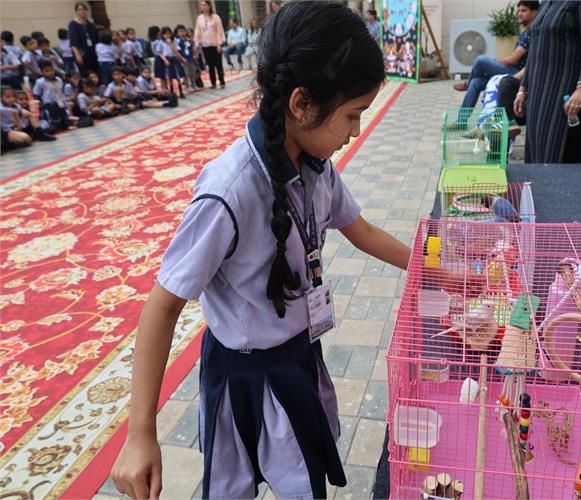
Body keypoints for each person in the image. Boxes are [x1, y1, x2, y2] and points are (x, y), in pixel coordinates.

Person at [108, 2, 431, 498]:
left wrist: (430, 267)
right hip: (239, 373)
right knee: (233, 486)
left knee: (302, 482)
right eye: (352, 115)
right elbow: (162, 305)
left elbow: (362, 230)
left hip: (295, 359)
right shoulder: (229, 191)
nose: (355, 131)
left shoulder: (318, 167)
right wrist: (140, 434)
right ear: (302, 104)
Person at [514, 0, 581, 163]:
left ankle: (554, 180)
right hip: (537, 89)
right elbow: (534, 49)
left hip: (564, 86)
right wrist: (522, 88)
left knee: (555, 146)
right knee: (536, 145)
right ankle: (538, 179)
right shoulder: (546, 2)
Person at [453, 1, 539, 111]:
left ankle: (466, 83)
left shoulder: (532, 33)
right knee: (475, 83)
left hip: (517, 73)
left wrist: (493, 62)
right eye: (518, 11)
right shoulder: (526, 32)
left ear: (534, 12)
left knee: (481, 60)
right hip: (511, 70)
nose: (519, 14)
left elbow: (512, 60)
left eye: (523, 11)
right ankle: (461, 119)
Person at [33, 60, 76, 131]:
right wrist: (41, 103)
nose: (50, 73)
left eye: (51, 70)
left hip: (60, 102)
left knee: (64, 119)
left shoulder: (58, 80)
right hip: (49, 104)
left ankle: (65, 124)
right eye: (47, 71)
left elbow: (61, 91)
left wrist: (64, 101)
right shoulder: (40, 82)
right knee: (54, 122)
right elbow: (36, 94)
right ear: (42, 72)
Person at [194, 0, 226, 89]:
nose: (203, 7)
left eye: (205, 5)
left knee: (218, 65)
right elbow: (197, 32)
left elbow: (220, 31)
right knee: (210, 65)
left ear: (209, 6)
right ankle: (213, 83)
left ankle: (222, 82)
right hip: (205, 45)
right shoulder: (199, 18)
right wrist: (196, 43)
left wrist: (220, 44)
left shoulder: (215, 17)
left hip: (215, 45)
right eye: (202, 5)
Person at [68, 2, 99, 76]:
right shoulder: (73, 24)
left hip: (93, 53)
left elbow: (96, 38)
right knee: (86, 74)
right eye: (80, 10)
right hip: (82, 53)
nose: (82, 11)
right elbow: (73, 42)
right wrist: (77, 55)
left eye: (84, 9)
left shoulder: (91, 24)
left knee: (96, 73)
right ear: (76, 12)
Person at [153, 26, 185, 99]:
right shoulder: (161, 42)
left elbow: (176, 51)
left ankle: (181, 92)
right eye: (165, 34)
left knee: (177, 76)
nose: (167, 35)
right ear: (163, 34)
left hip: (174, 59)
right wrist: (165, 60)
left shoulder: (174, 41)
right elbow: (160, 53)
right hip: (167, 59)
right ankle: (172, 92)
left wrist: (181, 57)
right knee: (169, 76)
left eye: (169, 33)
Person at [176, 25, 197, 94]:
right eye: (180, 31)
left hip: (191, 58)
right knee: (186, 73)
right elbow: (177, 51)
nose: (182, 33)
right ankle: (187, 86)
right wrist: (182, 58)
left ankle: (193, 84)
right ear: (177, 33)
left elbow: (192, 48)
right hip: (184, 59)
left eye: (183, 31)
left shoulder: (189, 40)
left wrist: (194, 55)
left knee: (192, 72)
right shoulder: (178, 41)